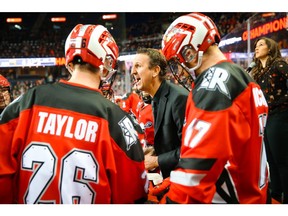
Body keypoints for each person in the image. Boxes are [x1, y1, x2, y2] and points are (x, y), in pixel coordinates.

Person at [0, 24, 148, 204]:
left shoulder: (27, 102)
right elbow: (133, 198)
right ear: (107, 64)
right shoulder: (117, 120)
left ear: (69, 63)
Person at [158, 12, 269, 204]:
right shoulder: (243, 78)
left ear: (189, 52)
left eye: (178, 61)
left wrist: (172, 202)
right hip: (251, 193)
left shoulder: (214, 83)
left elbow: (197, 171)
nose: (179, 68)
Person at [131, 47, 189, 179]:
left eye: (138, 66)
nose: (133, 71)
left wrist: (157, 160)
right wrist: (155, 151)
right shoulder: (157, 97)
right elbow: (172, 142)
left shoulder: (179, 98)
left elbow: (190, 150)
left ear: (155, 71)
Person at [249, 37, 288, 204]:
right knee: (270, 158)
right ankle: (276, 194)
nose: (256, 48)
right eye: (256, 45)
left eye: (261, 45)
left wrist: (280, 102)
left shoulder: (279, 64)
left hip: (280, 114)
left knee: (281, 159)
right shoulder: (256, 72)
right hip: (264, 118)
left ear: (270, 48)